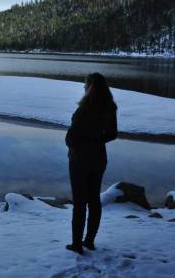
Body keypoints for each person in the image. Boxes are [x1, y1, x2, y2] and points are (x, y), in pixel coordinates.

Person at [65, 73, 117, 255]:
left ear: (90, 87)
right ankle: (89, 241)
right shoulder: (110, 107)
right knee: (94, 200)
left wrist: (74, 145)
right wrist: (97, 139)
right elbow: (112, 134)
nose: (83, 88)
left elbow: (72, 136)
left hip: (80, 160)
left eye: (85, 85)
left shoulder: (84, 109)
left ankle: (76, 244)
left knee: (79, 202)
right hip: (99, 159)